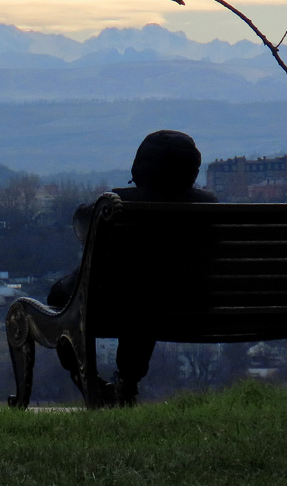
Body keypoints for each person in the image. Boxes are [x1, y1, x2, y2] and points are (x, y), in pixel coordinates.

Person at [47, 129, 218, 405]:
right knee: (147, 298)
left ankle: (89, 380)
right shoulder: (209, 205)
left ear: (141, 166)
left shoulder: (116, 204)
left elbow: (82, 225)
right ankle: (127, 384)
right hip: (190, 307)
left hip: (123, 307)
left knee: (65, 299)